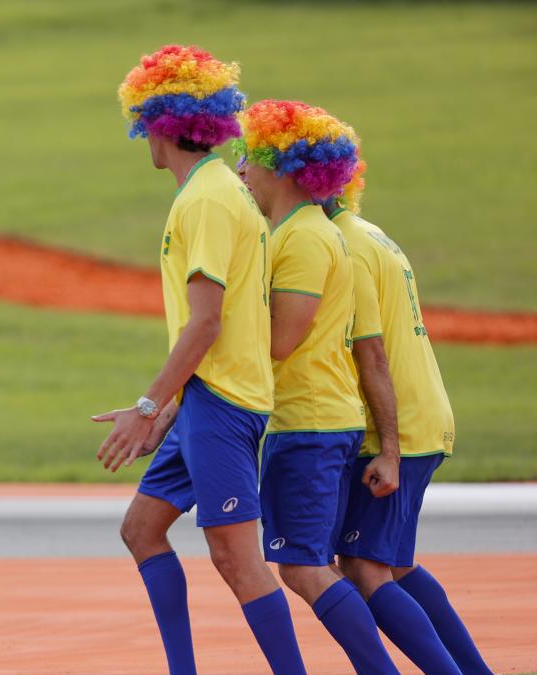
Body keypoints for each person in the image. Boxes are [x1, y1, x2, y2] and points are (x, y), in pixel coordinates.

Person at [96, 45, 306, 675]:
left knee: (237, 561)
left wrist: (148, 406)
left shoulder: (208, 200)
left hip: (224, 402)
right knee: (141, 529)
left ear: (159, 122)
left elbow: (207, 321)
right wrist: (172, 410)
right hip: (205, 400)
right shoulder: (215, 190)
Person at [236, 99, 405, 673]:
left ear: (283, 167)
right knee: (312, 565)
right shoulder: (307, 230)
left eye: (250, 158)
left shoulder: (304, 238)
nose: (240, 171)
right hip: (318, 420)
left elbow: (282, 340)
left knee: (303, 568)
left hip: (307, 422)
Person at [327, 164, 492, 674]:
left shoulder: (341, 245)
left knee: (362, 567)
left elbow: (370, 353)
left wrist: (388, 447)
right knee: (394, 566)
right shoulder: (369, 233)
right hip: (421, 413)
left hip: (395, 424)